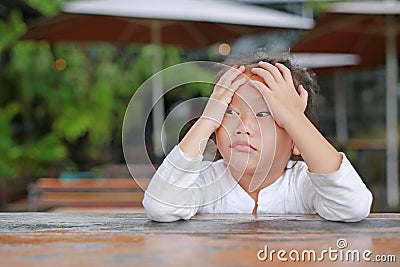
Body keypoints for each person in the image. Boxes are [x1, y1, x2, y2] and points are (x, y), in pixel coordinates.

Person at [142, 51, 373, 222]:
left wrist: (295, 119)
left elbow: (353, 207)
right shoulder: (207, 181)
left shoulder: (303, 184)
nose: (244, 127)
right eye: (229, 112)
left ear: (296, 140)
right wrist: (207, 120)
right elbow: (160, 207)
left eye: (264, 114)